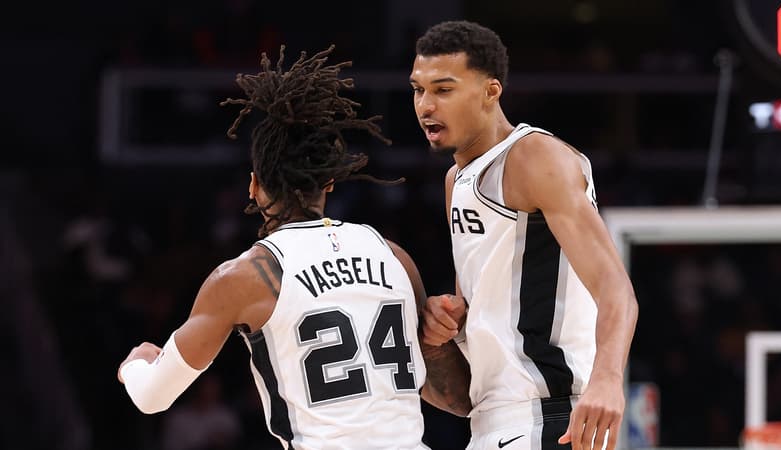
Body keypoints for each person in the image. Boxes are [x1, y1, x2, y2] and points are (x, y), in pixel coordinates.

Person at [117, 45, 433, 450]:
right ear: (329, 181)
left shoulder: (244, 277)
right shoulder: (393, 254)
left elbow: (152, 397)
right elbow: (449, 393)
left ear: (254, 185)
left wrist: (135, 364)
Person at [410, 21, 639, 450]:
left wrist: (608, 379)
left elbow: (616, 289)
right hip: (492, 420)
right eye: (418, 90)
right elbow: (476, 332)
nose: (426, 105)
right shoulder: (456, 180)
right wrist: (444, 326)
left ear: (490, 91)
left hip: (551, 416)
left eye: (443, 90)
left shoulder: (533, 157)